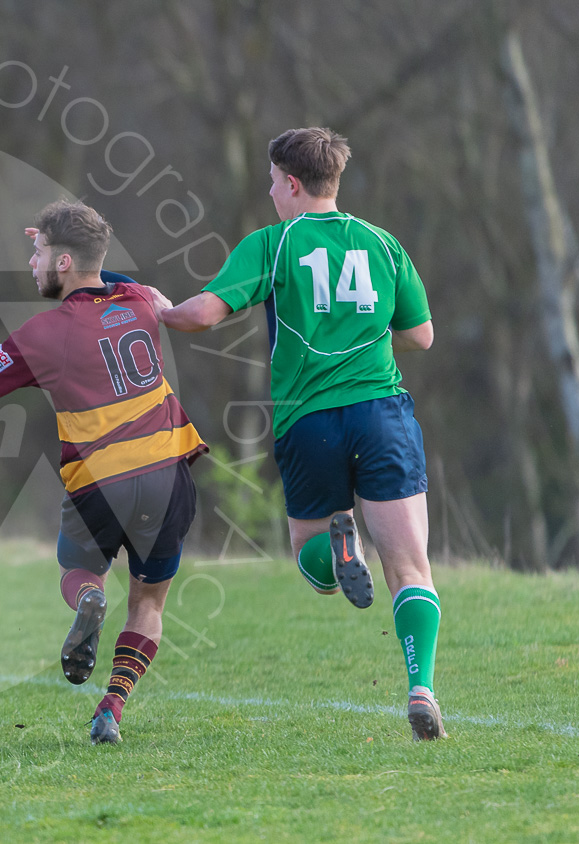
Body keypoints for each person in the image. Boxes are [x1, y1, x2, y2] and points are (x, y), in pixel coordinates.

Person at [161, 127, 443, 740]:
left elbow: (201, 317)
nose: (269, 193)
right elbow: (421, 336)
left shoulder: (271, 244)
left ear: (291, 183)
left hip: (308, 422)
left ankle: (340, 547)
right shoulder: (382, 242)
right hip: (382, 412)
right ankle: (420, 685)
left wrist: (156, 306)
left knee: (312, 563)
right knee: (411, 570)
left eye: (271, 182)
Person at [0, 199, 207, 745]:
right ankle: (111, 706)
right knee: (149, 602)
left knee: (76, 569)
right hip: (169, 470)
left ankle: (88, 596)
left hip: (103, 480)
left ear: (63, 263)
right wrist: (78, 254)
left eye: (38, 252)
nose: (31, 262)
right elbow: (108, 276)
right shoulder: (137, 301)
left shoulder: (44, 334)